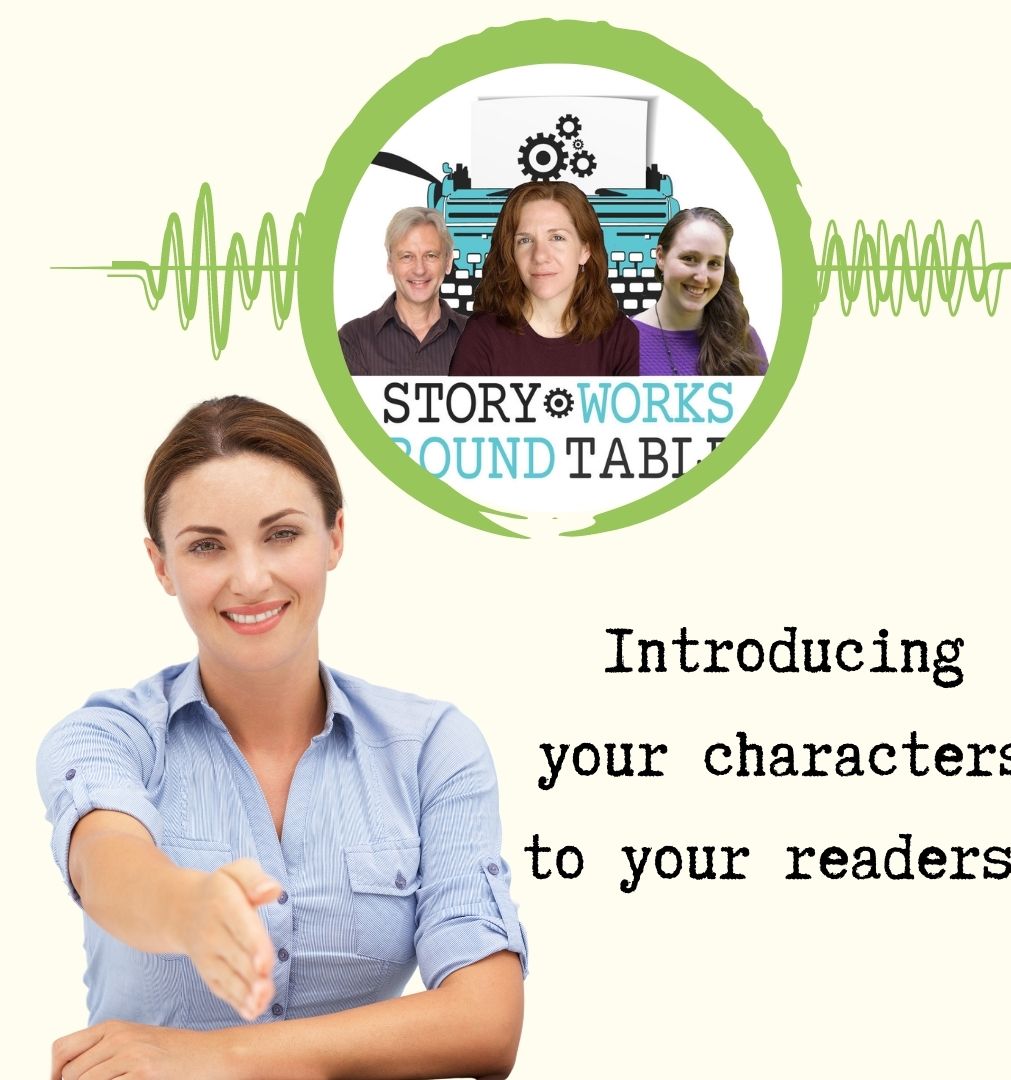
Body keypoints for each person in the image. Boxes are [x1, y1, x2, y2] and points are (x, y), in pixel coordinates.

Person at [39, 397, 526, 1080]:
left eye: (282, 535)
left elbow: (485, 1021)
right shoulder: (109, 734)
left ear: (335, 538)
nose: (249, 579)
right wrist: (189, 909)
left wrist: (211, 1057)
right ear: (160, 565)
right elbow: (104, 864)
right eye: (206, 545)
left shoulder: (433, 749)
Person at [449, 181, 638, 377]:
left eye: (557, 238)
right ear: (511, 253)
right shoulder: (481, 335)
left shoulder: (621, 337)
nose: (539, 255)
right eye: (525, 240)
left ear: (585, 250)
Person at [634, 207, 768, 376]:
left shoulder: (744, 338)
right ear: (661, 257)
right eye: (689, 259)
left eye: (714, 263)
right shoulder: (619, 342)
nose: (701, 277)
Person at [339, 207, 466, 375]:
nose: (419, 270)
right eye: (407, 256)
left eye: (430, 255)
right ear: (390, 263)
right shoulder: (354, 339)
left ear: (448, 262)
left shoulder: (477, 338)